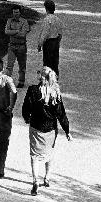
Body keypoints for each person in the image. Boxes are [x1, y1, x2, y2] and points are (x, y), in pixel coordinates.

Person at [22, 67, 71, 195]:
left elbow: (26, 107)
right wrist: (67, 130)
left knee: (34, 155)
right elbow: (61, 114)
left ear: (41, 77)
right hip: (50, 128)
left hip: (36, 126)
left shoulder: (33, 90)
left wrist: (26, 118)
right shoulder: (55, 93)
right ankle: (47, 177)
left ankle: (35, 181)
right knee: (49, 153)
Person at [5, 6, 31, 87]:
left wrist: (12, 32)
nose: (15, 14)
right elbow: (6, 32)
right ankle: (7, 82)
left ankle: (21, 82)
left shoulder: (24, 21)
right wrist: (17, 31)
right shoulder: (9, 20)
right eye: (14, 12)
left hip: (21, 46)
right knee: (9, 65)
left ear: (20, 12)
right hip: (12, 46)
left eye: (17, 12)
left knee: (22, 65)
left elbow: (23, 34)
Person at [37, 0, 64, 77]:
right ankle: (55, 77)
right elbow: (60, 33)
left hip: (48, 43)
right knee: (55, 61)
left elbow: (44, 33)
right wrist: (58, 42)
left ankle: (47, 78)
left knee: (47, 62)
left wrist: (40, 44)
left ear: (46, 9)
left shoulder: (47, 19)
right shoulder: (58, 19)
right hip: (55, 42)